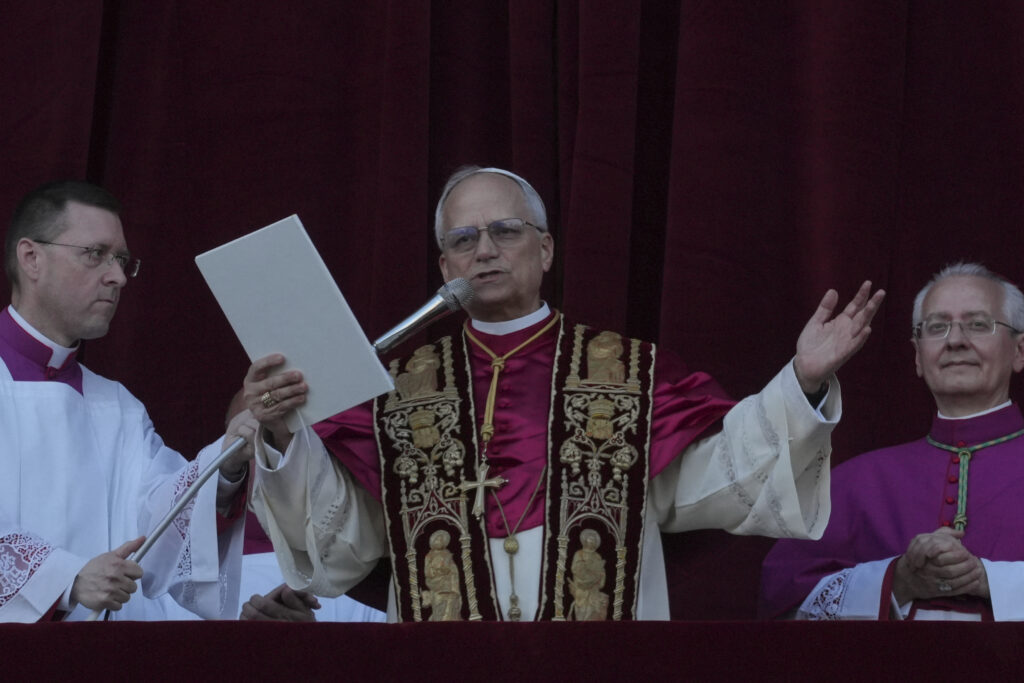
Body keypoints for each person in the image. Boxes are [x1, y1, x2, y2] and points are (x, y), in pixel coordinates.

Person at [246, 166, 885, 621]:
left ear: (546, 249)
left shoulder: (627, 374)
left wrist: (800, 380)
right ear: (445, 268)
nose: (485, 251)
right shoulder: (397, 392)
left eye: (506, 231)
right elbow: (343, 541)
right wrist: (280, 433)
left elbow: (723, 476)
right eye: (463, 240)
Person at [0, 180, 253, 622]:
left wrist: (228, 458)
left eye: (120, 260)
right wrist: (64, 578)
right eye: (95, 254)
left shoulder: (117, 406)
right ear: (31, 257)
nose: (116, 275)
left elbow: (158, 516)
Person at [760, 262, 1024, 621]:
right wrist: (897, 580)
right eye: (937, 326)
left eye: (978, 324)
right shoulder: (854, 482)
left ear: (1019, 351)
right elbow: (782, 601)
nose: (956, 340)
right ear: (918, 356)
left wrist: (989, 580)